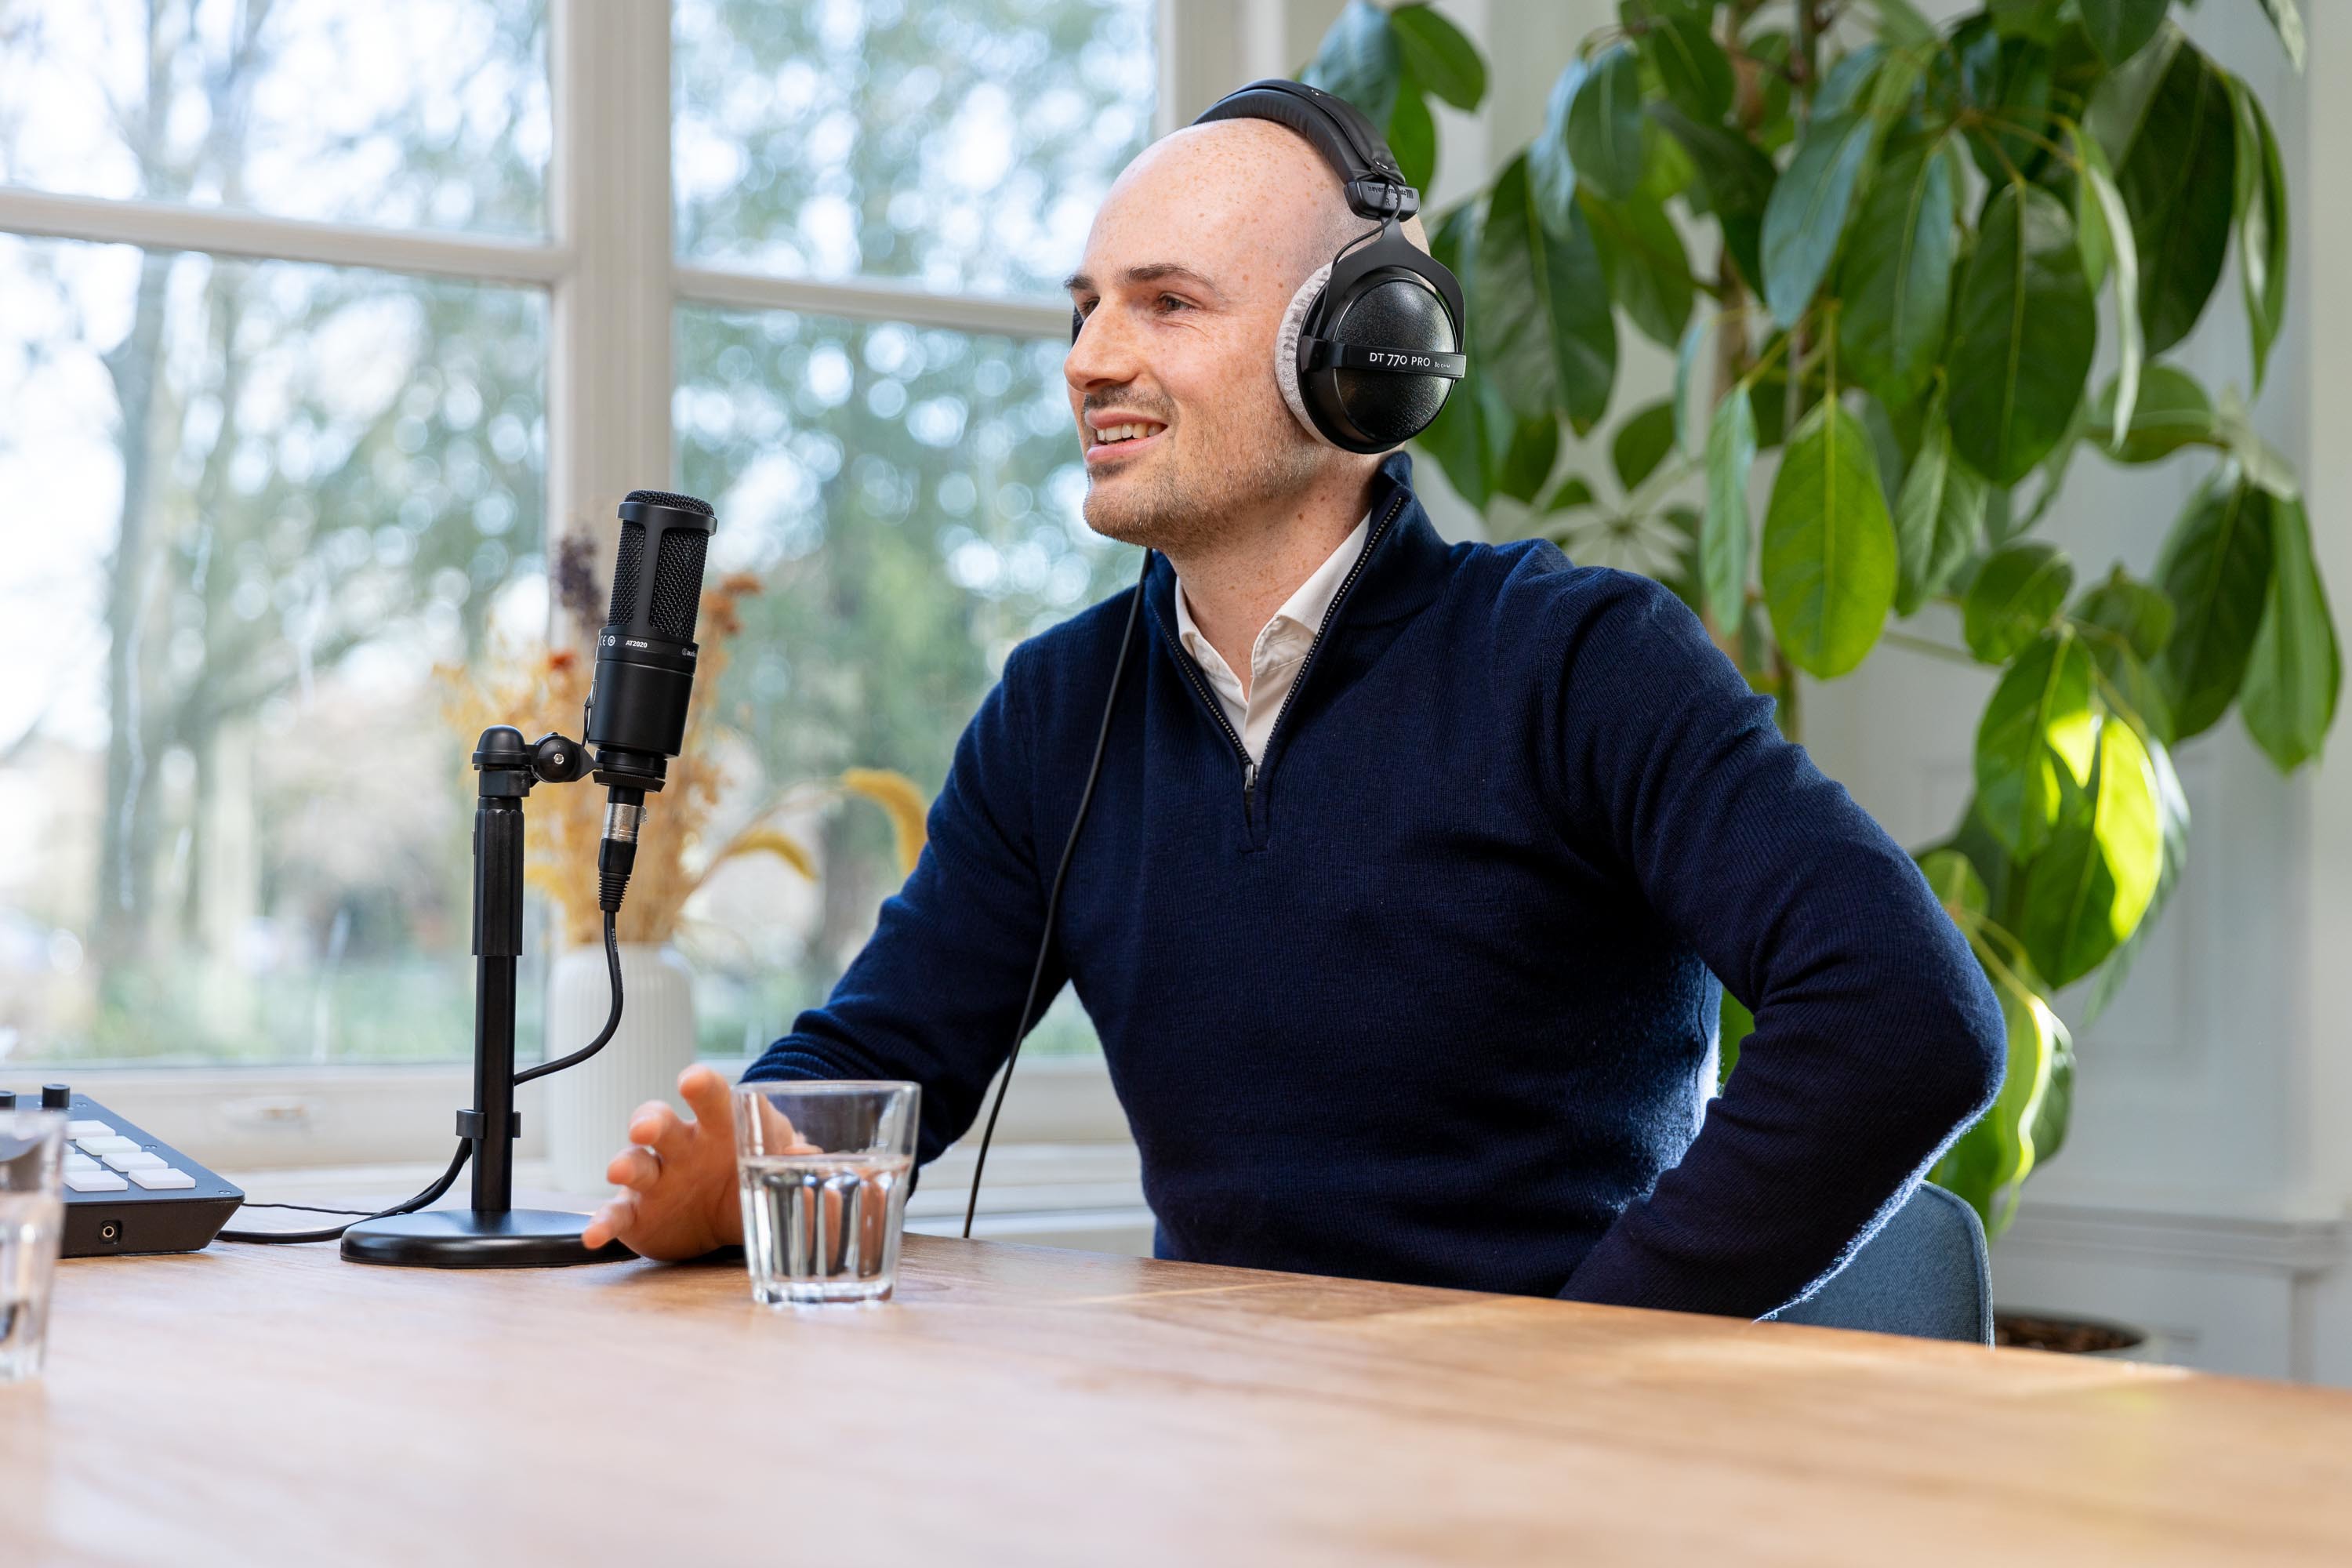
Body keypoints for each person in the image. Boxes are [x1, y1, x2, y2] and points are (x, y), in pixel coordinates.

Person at [580, 107, 2005, 1319]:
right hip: (1225, 1454)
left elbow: (1910, 1015)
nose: (1088, 358)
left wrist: (1589, 1347)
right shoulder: (1060, 710)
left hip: (1548, 1468)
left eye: (1166, 303)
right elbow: (882, 1061)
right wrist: (743, 1159)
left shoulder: (1579, 661)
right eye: (1085, 307)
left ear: (1366, 352)